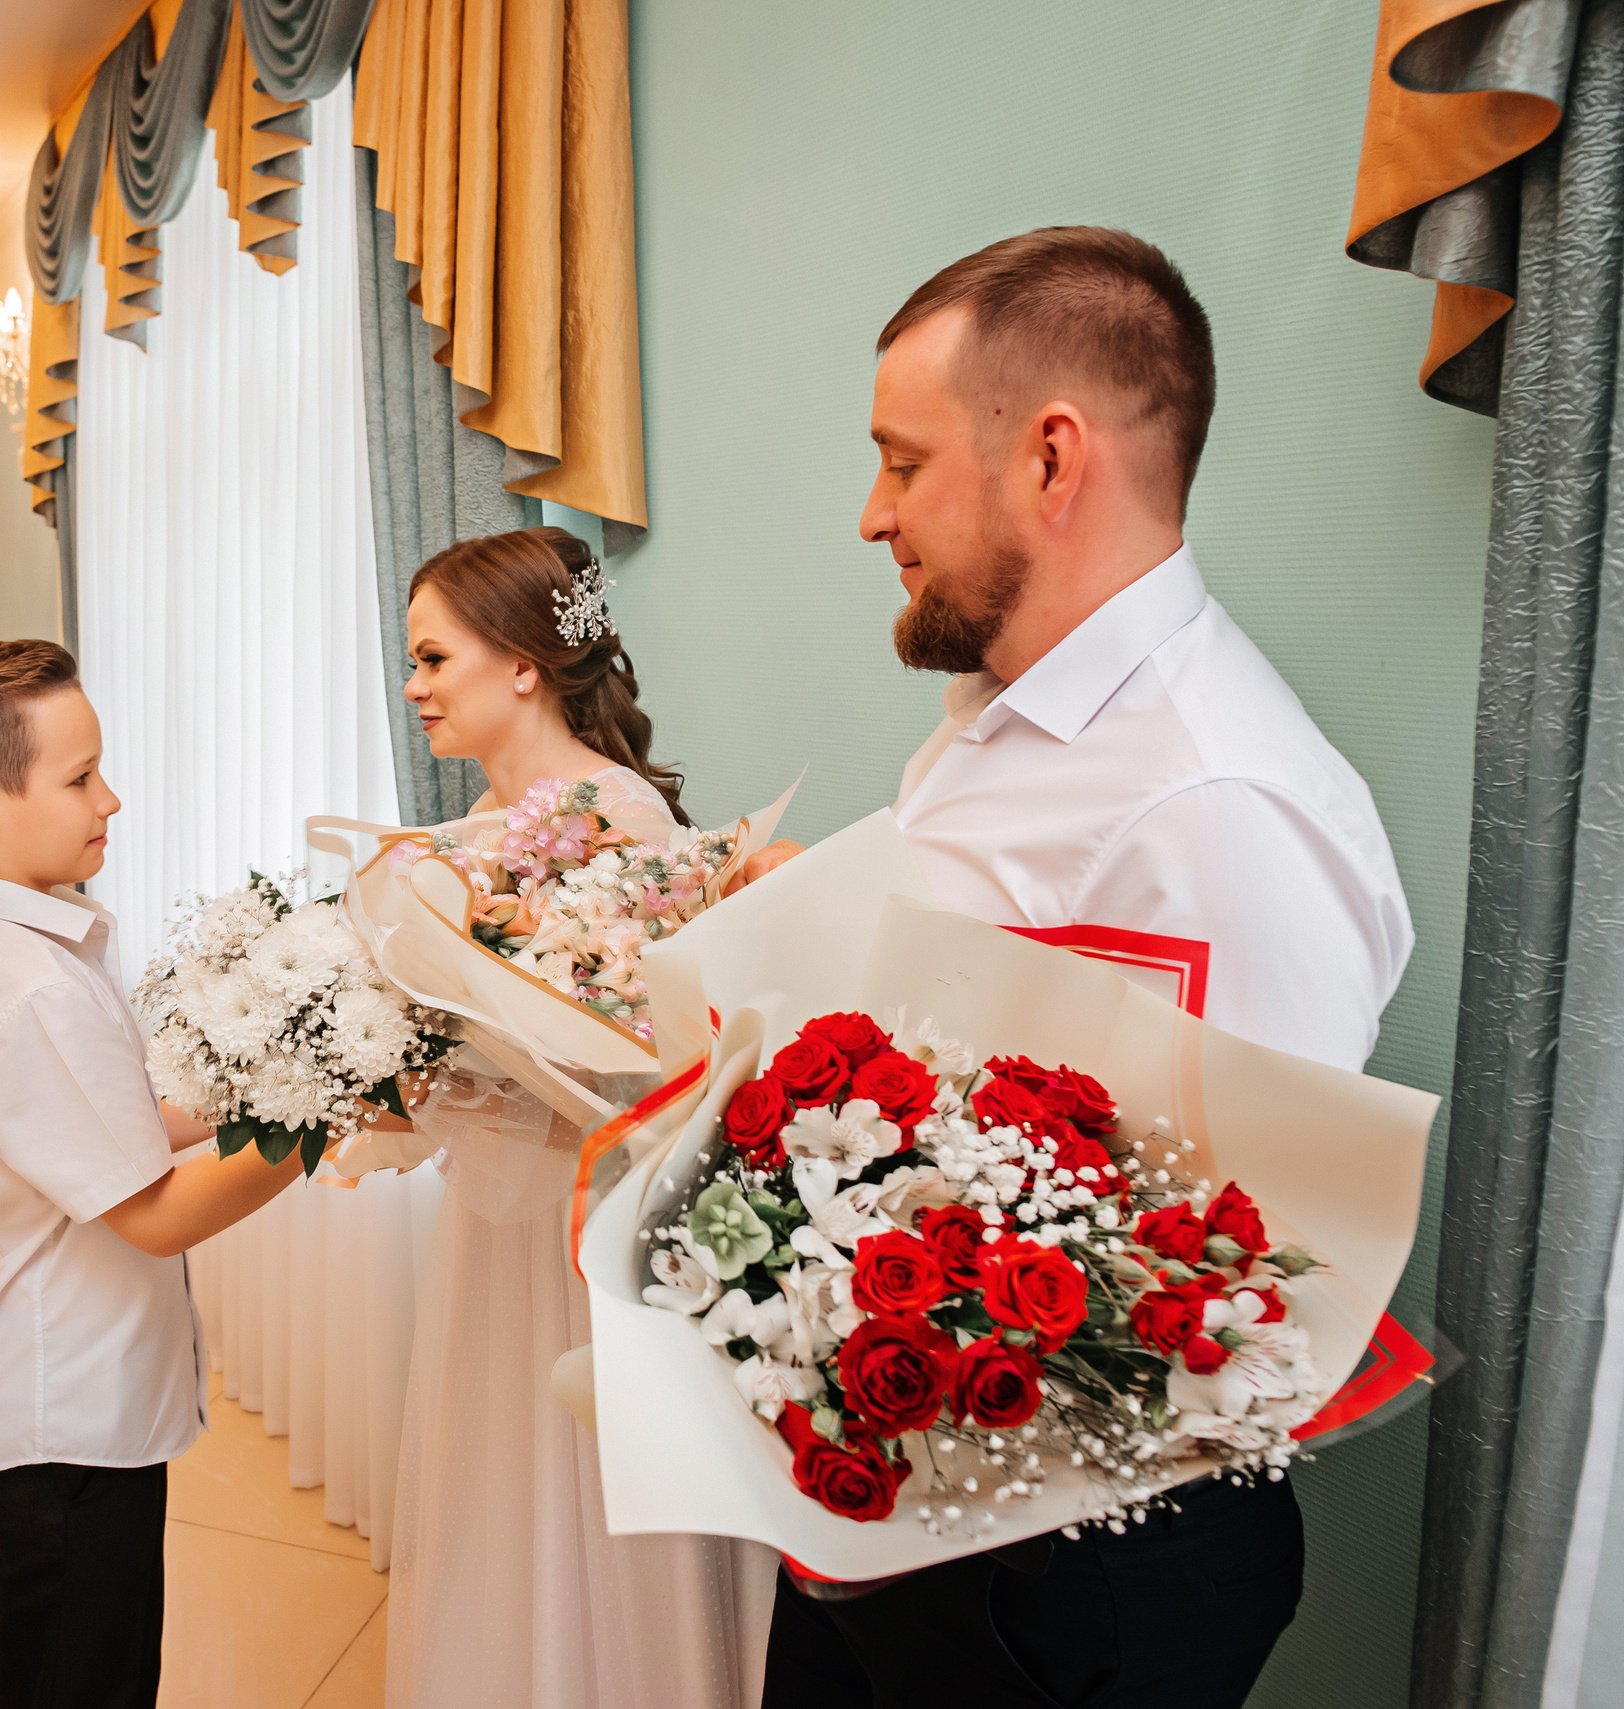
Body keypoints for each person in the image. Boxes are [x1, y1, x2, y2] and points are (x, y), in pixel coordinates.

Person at [735, 228, 1413, 1706]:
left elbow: (1245, 1290)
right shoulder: (1005, 713)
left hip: (1063, 1582)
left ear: (1052, 458)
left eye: (900, 463)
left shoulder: (1220, 810)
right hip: (917, 1503)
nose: (871, 514)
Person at [385, 526, 785, 1709]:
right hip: (506, 1221)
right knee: (508, 1484)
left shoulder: (614, 823)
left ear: (520, 663)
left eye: (430, 657)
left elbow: (642, 1071)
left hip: (585, 1225)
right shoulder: (476, 827)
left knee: (587, 1498)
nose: (411, 686)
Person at [0, 638, 307, 1709]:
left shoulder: (46, 942)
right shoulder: (24, 988)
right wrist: (327, 1115)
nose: (108, 798)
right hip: (60, 1420)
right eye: (80, 777)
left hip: (88, 1399)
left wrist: (294, 1063)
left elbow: (123, 1118)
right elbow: (157, 1214)